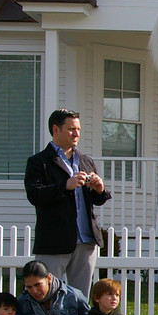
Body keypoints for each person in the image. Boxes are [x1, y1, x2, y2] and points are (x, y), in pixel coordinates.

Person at [24, 108, 111, 294]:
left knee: (80, 300)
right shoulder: (39, 162)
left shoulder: (86, 161)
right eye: (71, 129)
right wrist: (65, 185)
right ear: (56, 130)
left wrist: (99, 189)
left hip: (86, 241)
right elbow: (35, 195)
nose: (76, 133)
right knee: (47, 297)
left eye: (78, 129)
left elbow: (97, 200)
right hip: (54, 241)